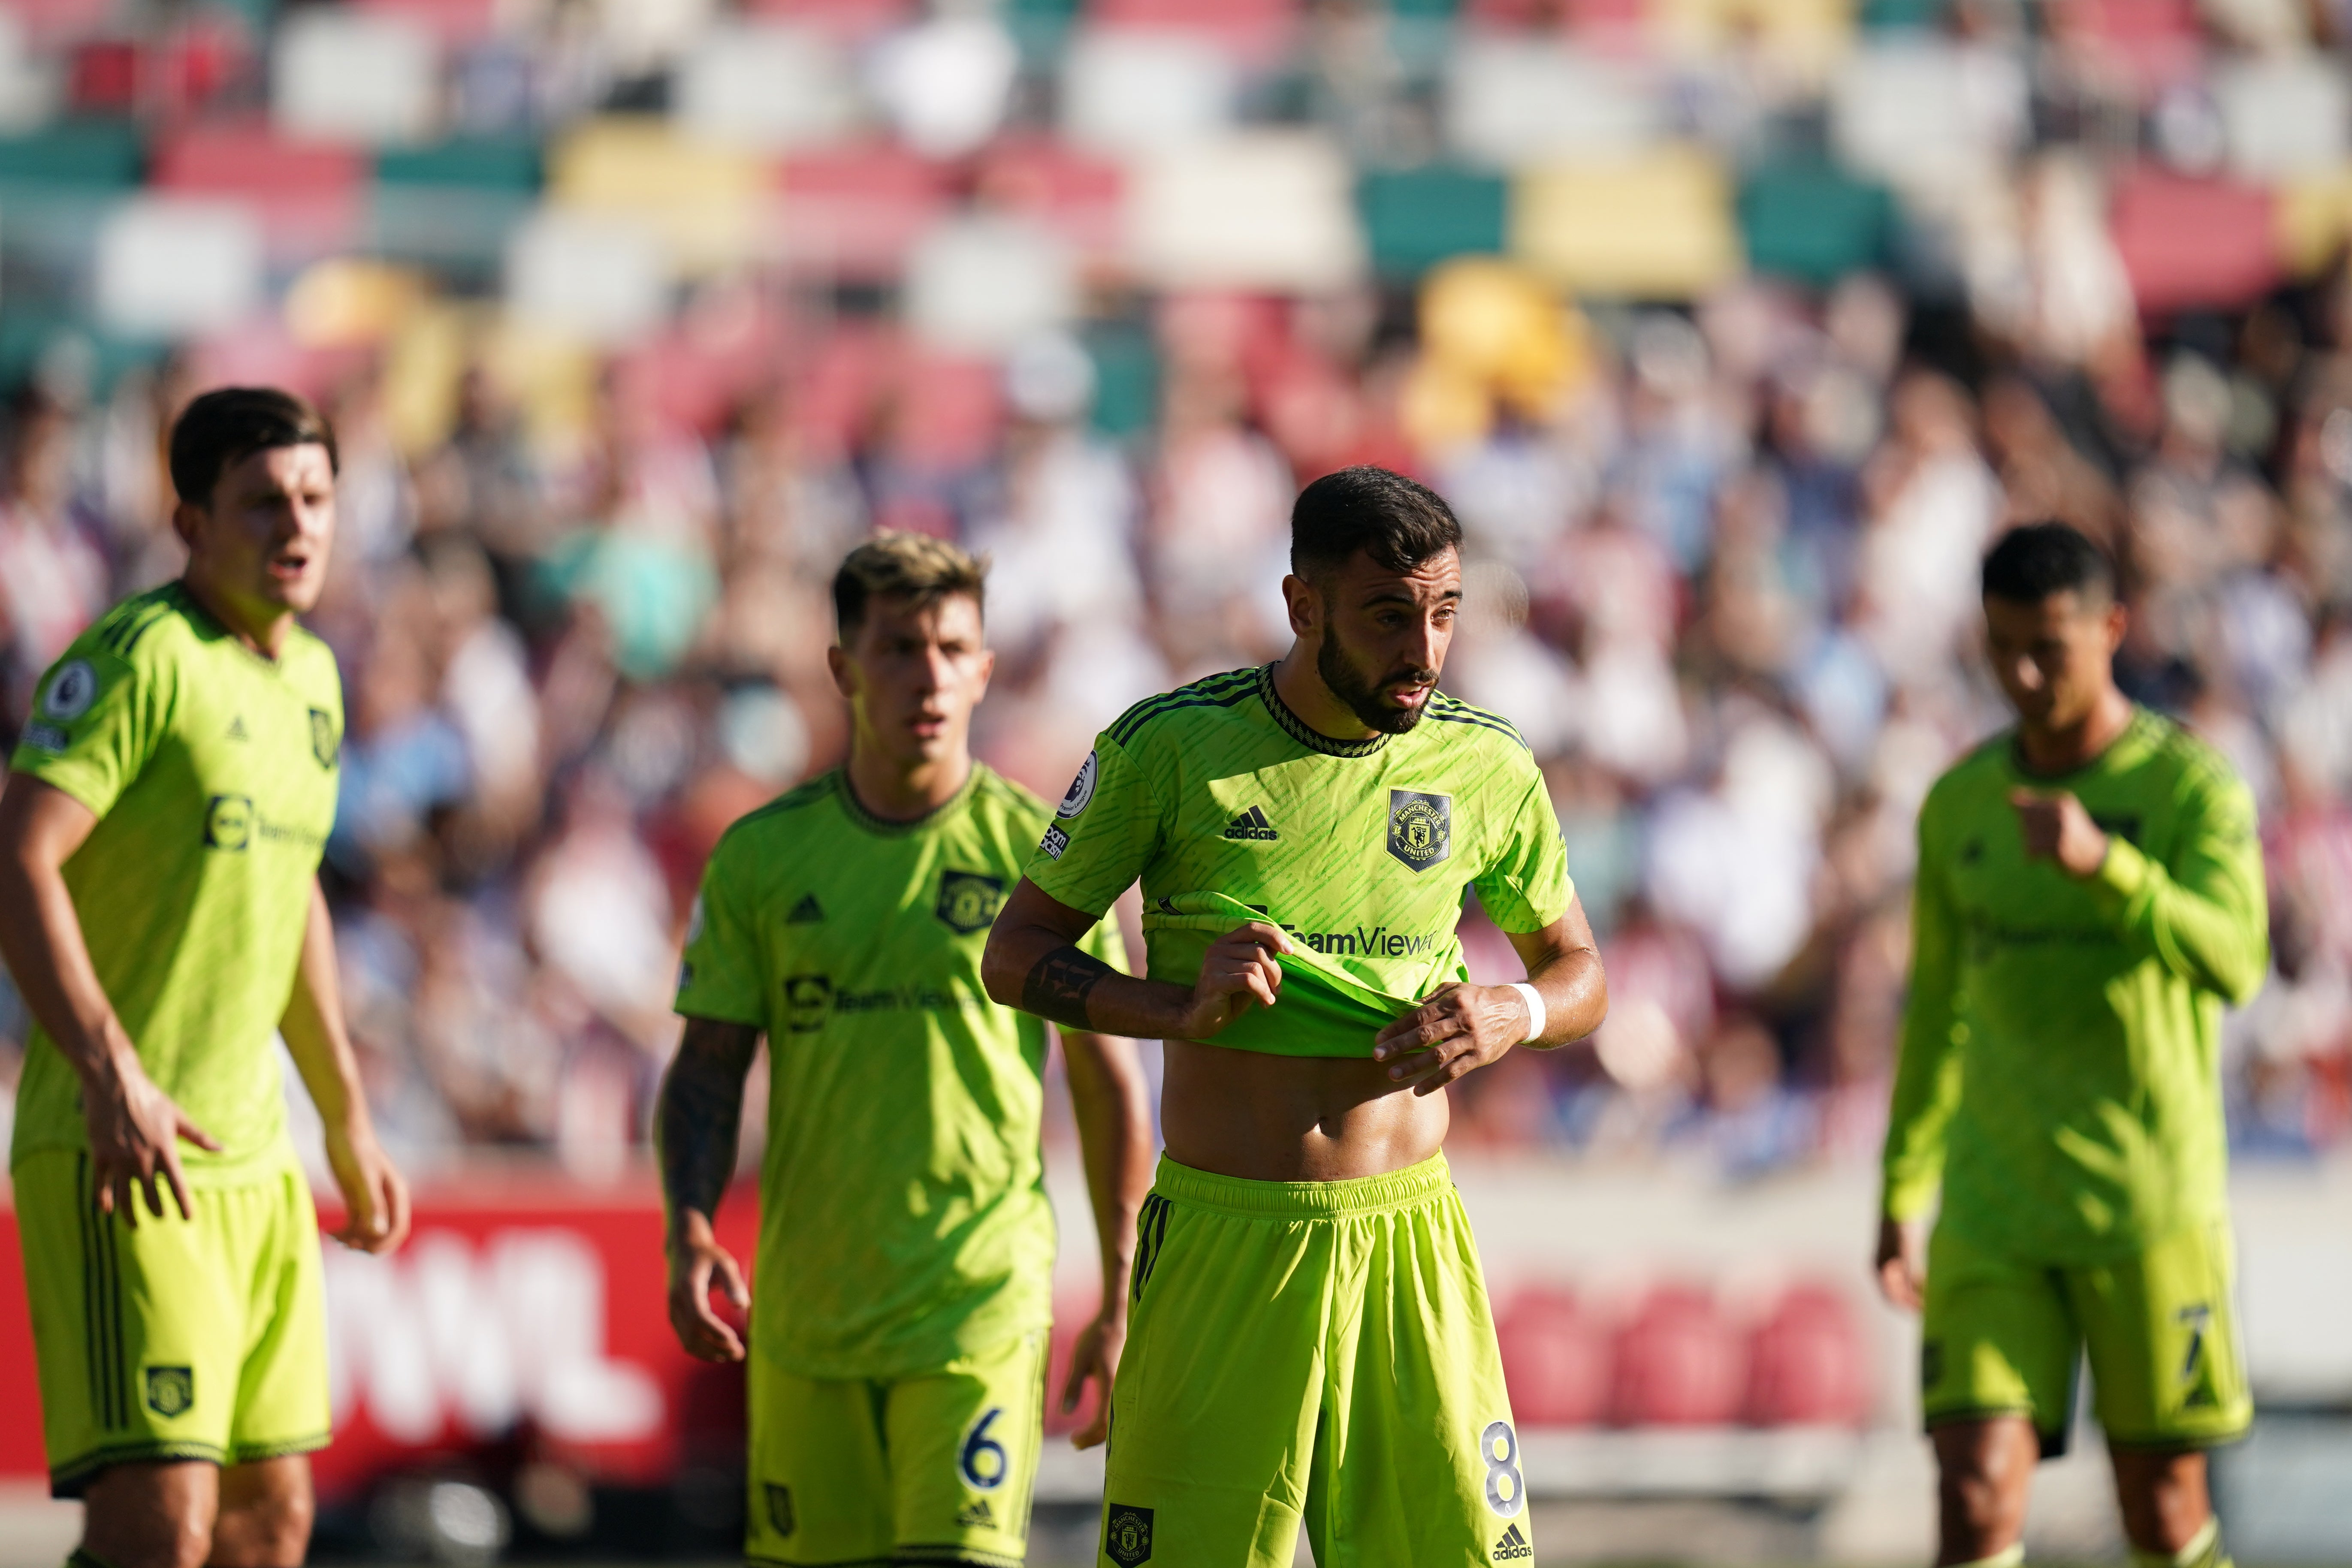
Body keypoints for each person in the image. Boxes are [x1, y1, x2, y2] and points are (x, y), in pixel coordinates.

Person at [982, 466, 1607, 1568]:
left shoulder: (1486, 762)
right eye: (1387, 615)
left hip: (1409, 1240)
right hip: (1227, 1241)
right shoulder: (1170, 749)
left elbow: (1579, 972)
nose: (1423, 647)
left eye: (1445, 612)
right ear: (1303, 605)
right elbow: (1015, 953)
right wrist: (1178, 1004)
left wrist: (1513, 1009)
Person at [658, 532, 1153, 1567]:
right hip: (808, 1315)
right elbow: (708, 1066)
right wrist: (690, 1226)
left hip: (978, 1300)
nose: (926, 675)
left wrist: (1122, 1291)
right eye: (895, 648)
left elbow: (1109, 1083)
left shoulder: (1043, 857)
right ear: (842, 668)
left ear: (983, 667)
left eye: (950, 647)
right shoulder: (763, 855)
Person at [0, 386, 411, 1568]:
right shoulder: (141, 661)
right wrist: (108, 1071)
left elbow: (290, 906)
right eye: (262, 502)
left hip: (253, 1165)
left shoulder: (316, 686)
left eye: (317, 498)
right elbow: (19, 856)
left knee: (267, 1523)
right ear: (189, 524)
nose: (297, 526)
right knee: (161, 1529)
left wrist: (346, 1119)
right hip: (124, 1157)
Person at [1875, 522, 2267, 1568]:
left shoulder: (2191, 791)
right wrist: (1903, 1188)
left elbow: (2237, 958)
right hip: (1995, 1211)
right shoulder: (1962, 803)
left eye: (2053, 645)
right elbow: (1935, 1011)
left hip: (2149, 1211)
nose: (2027, 672)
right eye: (2005, 647)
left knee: (2167, 1511)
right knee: (1973, 1492)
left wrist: (2113, 872)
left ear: (2113, 628)